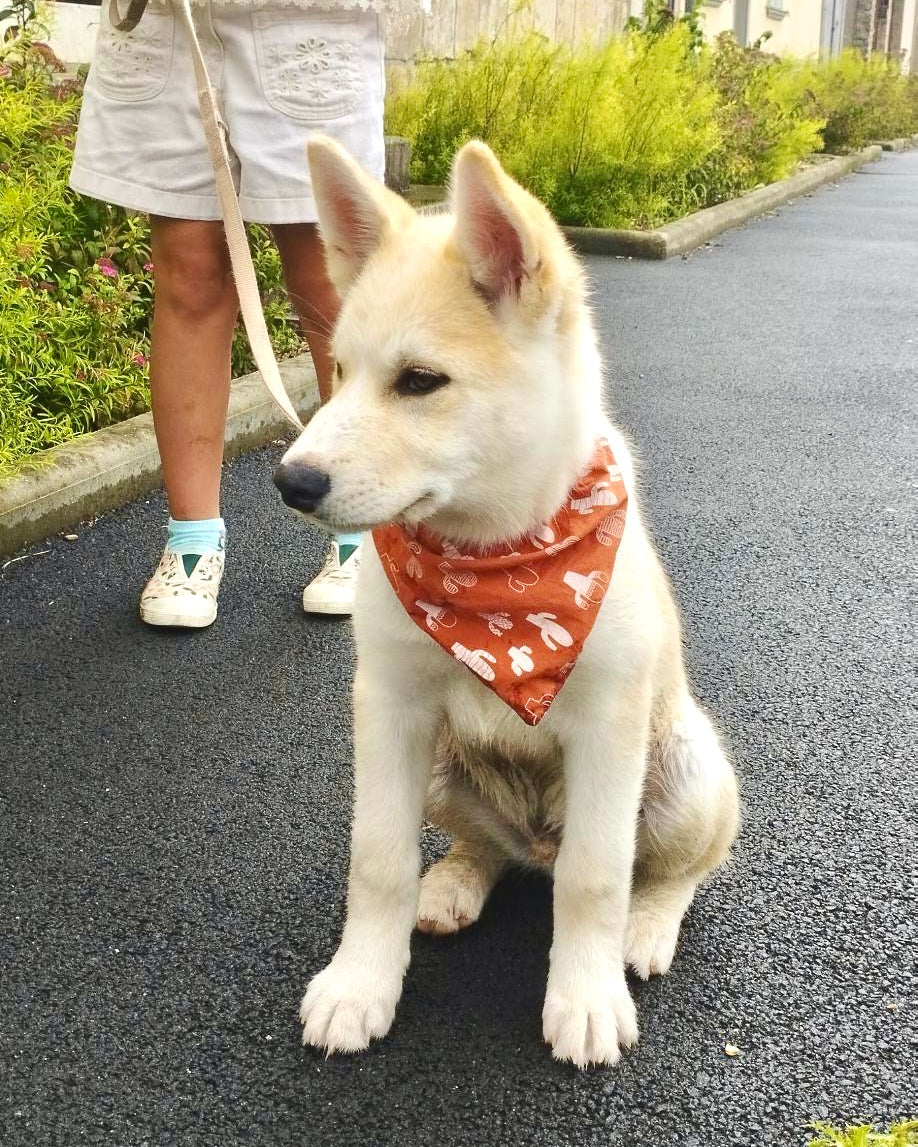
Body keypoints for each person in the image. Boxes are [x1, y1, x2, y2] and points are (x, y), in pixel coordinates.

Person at [69, 0, 425, 627]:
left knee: (325, 271)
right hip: (169, 20)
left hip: (305, 20)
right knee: (187, 269)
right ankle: (192, 542)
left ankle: (362, 535)